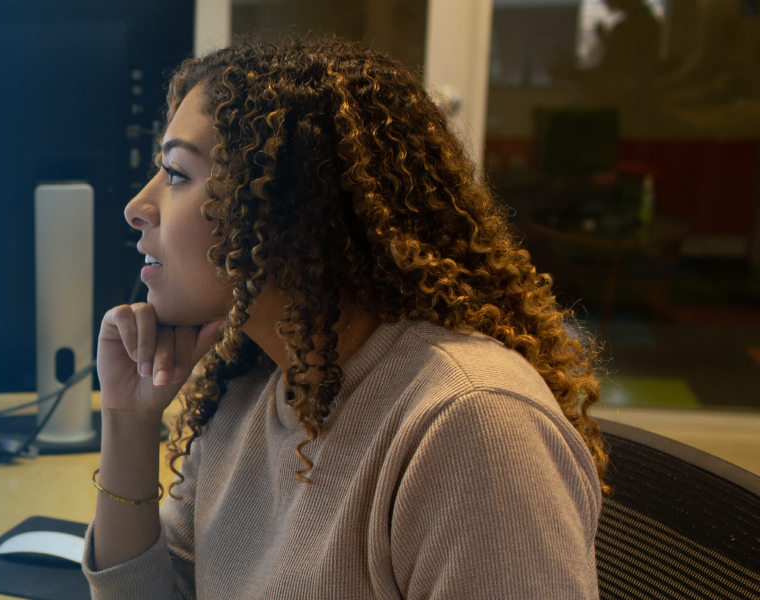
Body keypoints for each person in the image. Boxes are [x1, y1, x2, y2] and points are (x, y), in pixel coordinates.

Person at [84, 38, 606, 599]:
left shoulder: (471, 423)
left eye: (178, 174)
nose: (137, 205)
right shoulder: (250, 384)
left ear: (289, 208)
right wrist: (128, 423)